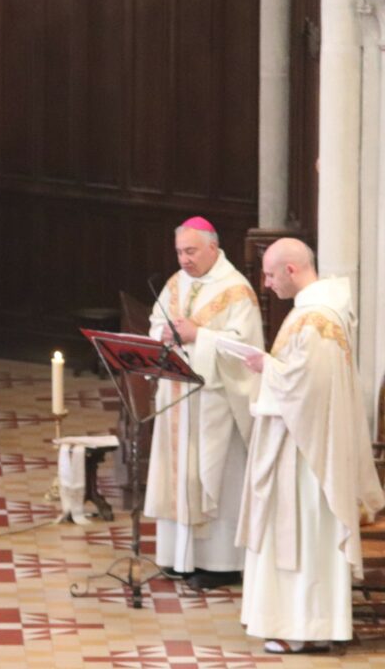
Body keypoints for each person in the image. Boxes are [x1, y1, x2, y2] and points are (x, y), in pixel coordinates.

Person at [237, 238, 385, 654]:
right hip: (302, 444)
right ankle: (303, 624)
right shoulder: (313, 311)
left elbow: (310, 388)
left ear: (291, 269)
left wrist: (266, 366)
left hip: (307, 456)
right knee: (301, 538)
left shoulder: (317, 318)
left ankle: (303, 627)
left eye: (270, 274)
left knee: (302, 538)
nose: (266, 284)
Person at [144, 216, 264, 591]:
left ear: (213, 247)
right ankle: (177, 558)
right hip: (177, 398)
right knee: (178, 477)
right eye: (180, 251)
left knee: (215, 478)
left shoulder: (237, 291)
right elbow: (155, 322)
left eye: (191, 251)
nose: (184, 259)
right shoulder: (175, 283)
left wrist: (199, 335)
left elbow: (245, 350)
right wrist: (163, 334)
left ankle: (220, 564)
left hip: (215, 404)